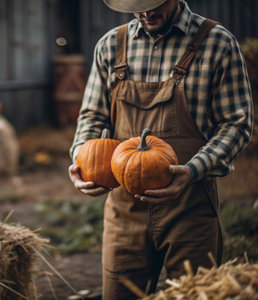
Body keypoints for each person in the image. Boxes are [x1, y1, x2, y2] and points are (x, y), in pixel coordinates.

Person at [68, 0, 253, 299]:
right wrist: (81, 158)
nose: (145, 12)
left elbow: (236, 124)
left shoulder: (217, 43)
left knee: (194, 294)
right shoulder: (110, 46)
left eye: (154, 3)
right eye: (136, 5)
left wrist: (193, 169)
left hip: (190, 207)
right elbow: (93, 117)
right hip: (124, 210)